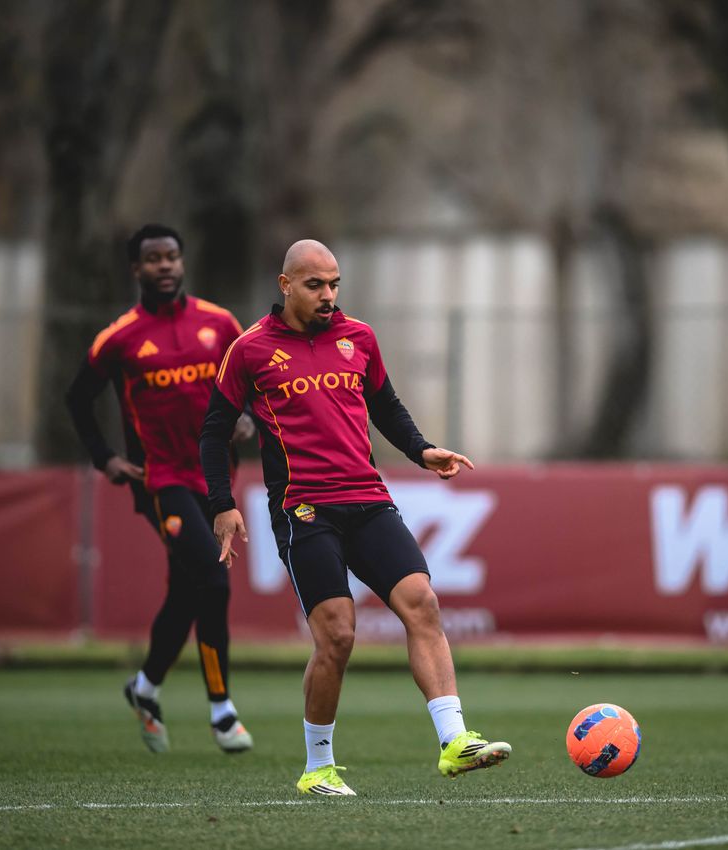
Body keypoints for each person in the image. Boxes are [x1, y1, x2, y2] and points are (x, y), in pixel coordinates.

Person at [200, 239, 511, 796]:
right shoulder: (249, 350)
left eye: (334, 284)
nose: (328, 295)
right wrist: (222, 504)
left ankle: (454, 742)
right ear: (286, 284)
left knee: (424, 603)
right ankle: (318, 767)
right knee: (338, 636)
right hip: (303, 509)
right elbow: (214, 430)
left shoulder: (358, 337)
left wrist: (422, 451)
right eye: (315, 284)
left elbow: (385, 405)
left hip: (368, 498)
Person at [65, 223, 254, 755]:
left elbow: (252, 381)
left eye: (172, 256)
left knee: (188, 589)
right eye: (153, 258)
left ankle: (144, 689)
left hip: (214, 479)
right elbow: (77, 398)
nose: (165, 266)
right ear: (136, 269)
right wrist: (106, 459)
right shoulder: (120, 336)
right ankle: (222, 712)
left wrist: (246, 418)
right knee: (214, 581)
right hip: (160, 480)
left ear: (183, 262)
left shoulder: (218, 324)